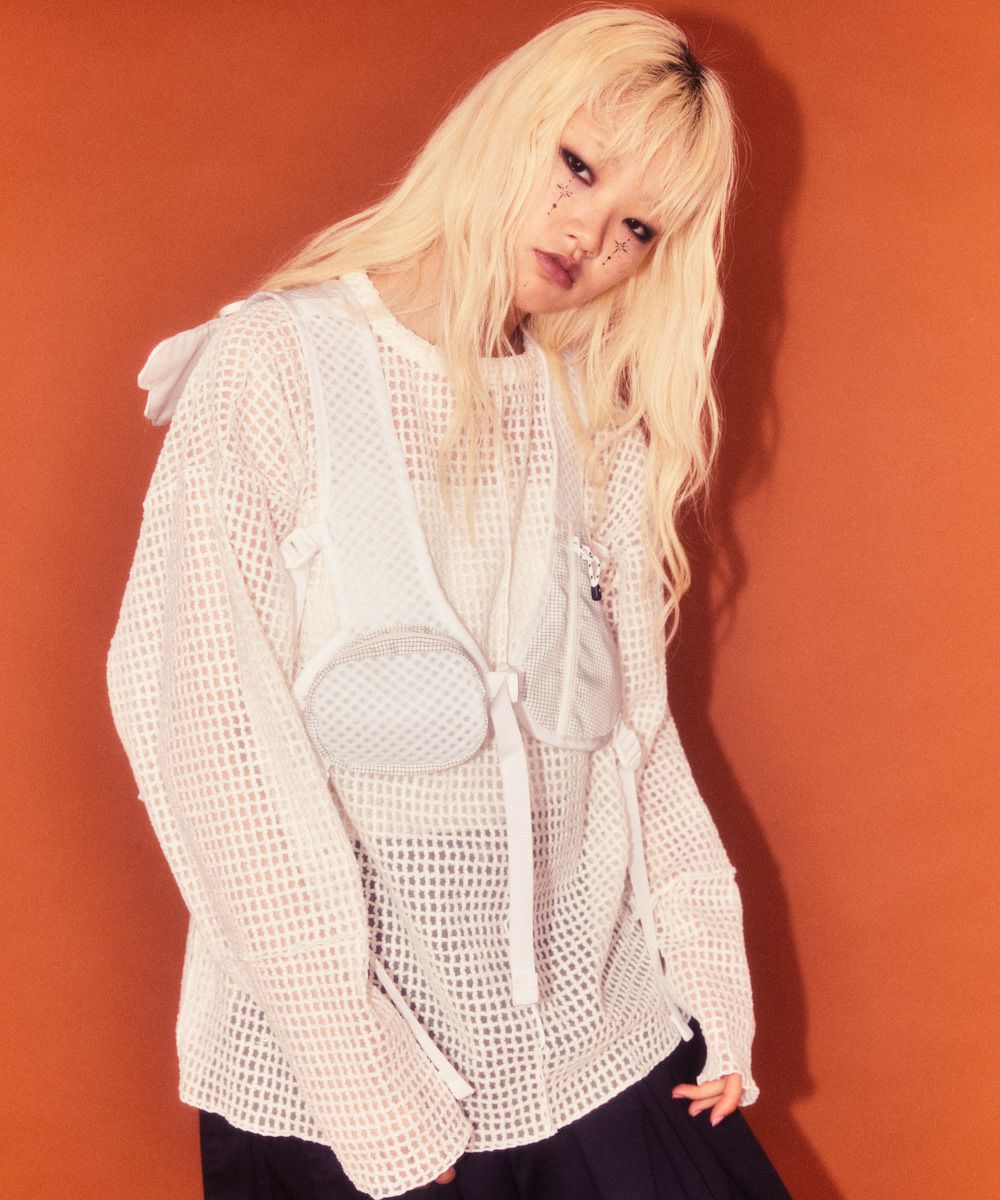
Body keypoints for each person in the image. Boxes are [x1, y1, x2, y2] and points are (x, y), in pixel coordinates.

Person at [106, 6, 793, 1198]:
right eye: (578, 166)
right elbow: (209, 744)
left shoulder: (594, 423)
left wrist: (706, 981)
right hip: (345, 1054)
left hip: (594, 1035)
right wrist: (371, 1095)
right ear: (507, 124)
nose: (590, 233)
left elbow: (635, 743)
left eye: (639, 226)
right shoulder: (276, 367)